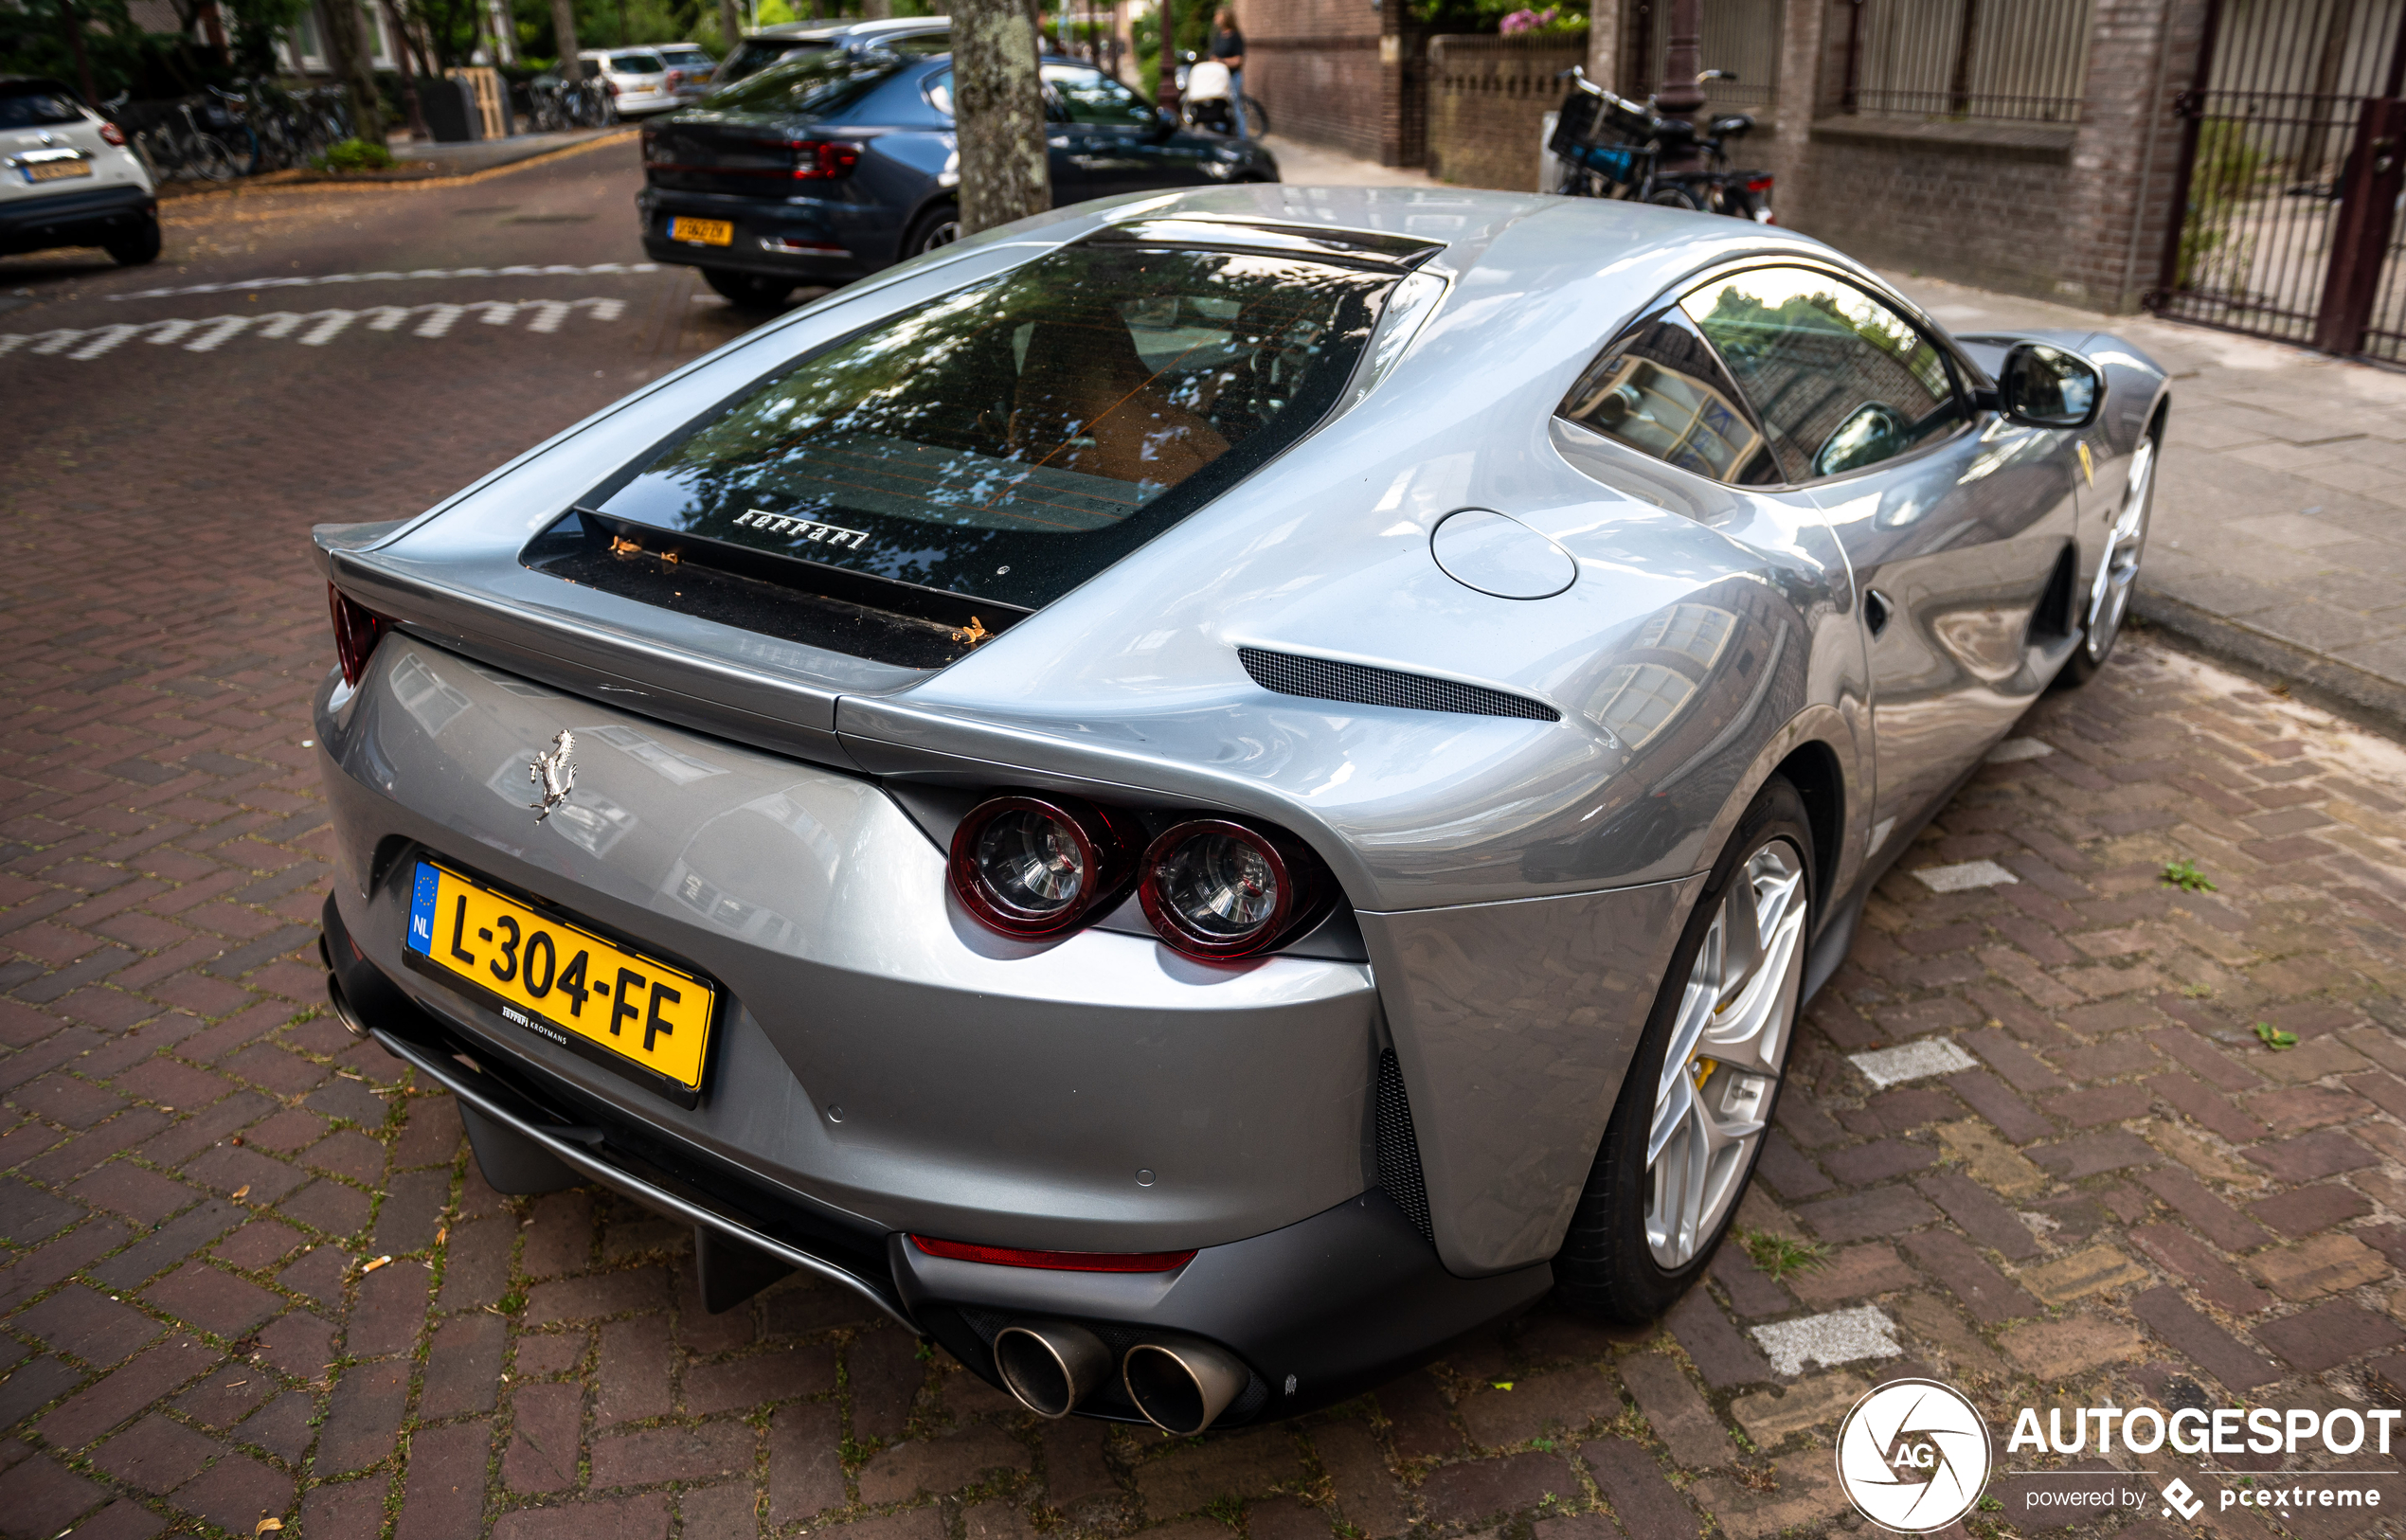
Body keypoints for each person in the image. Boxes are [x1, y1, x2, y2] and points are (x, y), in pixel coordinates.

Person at [1208, 8, 1247, 138]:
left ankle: (1243, 138)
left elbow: (1238, 60)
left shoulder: (1235, 37)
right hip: (1219, 79)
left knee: (1236, 107)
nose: (1216, 19)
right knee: (1218, 107)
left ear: (1225, 18)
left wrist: (1221, 61)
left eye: (1218, 16)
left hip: (1233, 76)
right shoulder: (1218, 36)